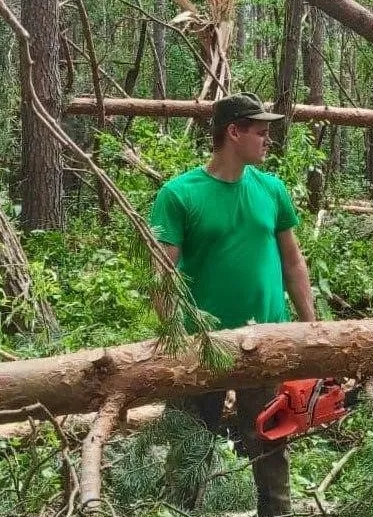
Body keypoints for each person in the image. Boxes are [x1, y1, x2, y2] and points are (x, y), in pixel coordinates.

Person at [150, 92, 316, 517]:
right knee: (189, 448)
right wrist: (174, 340)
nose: (267, 140)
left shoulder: (271, 189)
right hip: (201, 345)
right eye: (260, 132)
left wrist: (311, 329)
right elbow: (162, 276)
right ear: (233, 132)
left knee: (270, 445)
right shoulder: (179, 194)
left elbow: (293, 263)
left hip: (266, 342)